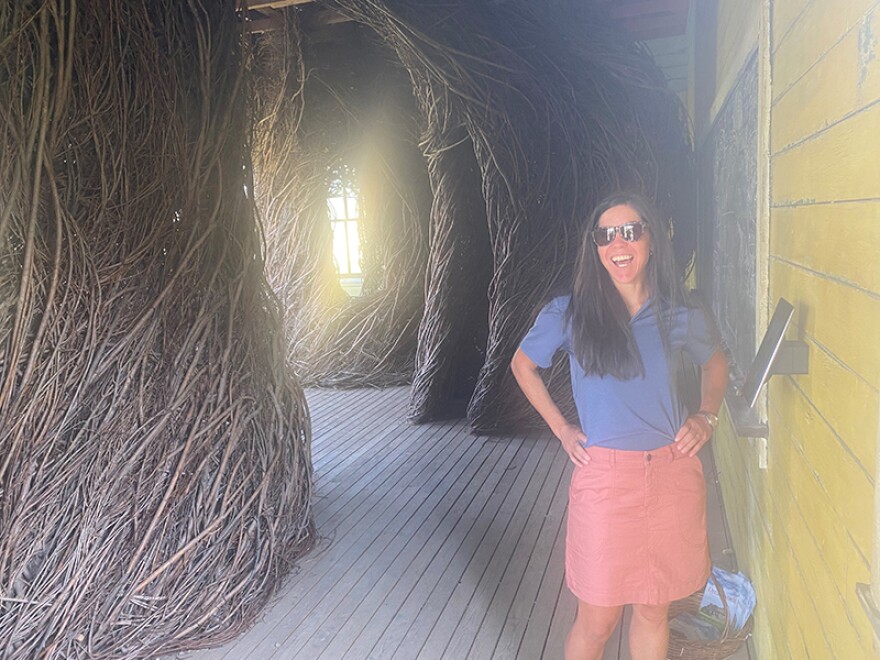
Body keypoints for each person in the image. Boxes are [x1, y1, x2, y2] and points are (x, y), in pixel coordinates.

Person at [510, 192, 729, 660]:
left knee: (653, 611)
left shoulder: (679, 313)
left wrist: (707, 415)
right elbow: (522, 365)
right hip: (606, 482)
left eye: (631, 231)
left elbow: (716, 364)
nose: (619, 243)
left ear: (651, 240)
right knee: (598, 619)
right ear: (595, 247)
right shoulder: (570, 314)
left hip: (672, 475)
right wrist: (563, 430)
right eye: (606, 235)